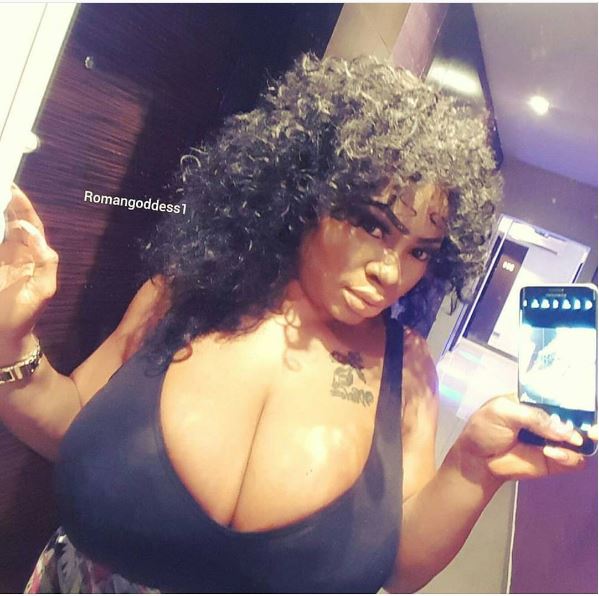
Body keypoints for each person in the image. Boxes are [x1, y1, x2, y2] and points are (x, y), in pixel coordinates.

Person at [0, 54, 594, 594]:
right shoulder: (185, 295)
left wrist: (472, 468)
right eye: (374, 225)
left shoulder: (408, 368)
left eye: (420, 251)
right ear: (307, 195)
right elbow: (71, 426)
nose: (392, 271)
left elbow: (401, 568)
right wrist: (9, 339)